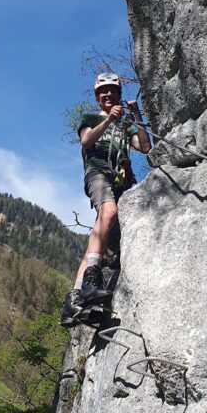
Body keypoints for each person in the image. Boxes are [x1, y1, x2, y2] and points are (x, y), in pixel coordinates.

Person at [61, 72, 151, 327]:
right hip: (98, 173)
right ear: (97, 97)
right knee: (108, 212)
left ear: (119, 95)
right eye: (104, 92)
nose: (108, 94)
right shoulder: (90, 118)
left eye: (113, 90)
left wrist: (136, 116)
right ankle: (91, 281)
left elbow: (144, 147)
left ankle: (74, 299)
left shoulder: (124, 125)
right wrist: (108, 120)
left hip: (120, 182)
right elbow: (87, 140)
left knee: (100, 239)